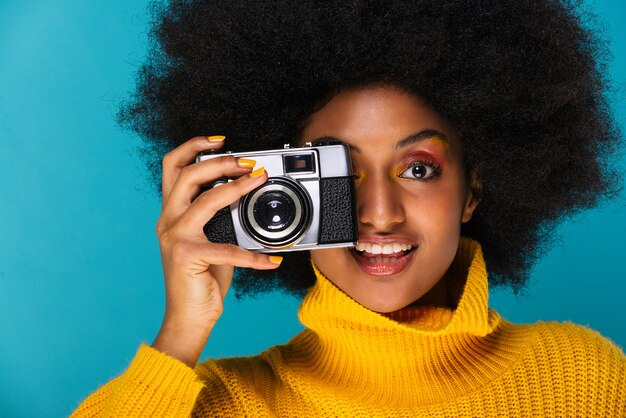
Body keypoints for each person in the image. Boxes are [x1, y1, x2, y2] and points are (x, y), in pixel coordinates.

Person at [72, 0, 626, 416]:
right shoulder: (226, 404)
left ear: (472, 192)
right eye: (340, 174)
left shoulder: (580, 377)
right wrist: (180, 334)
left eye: (418, 169)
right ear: (269, 189)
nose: (379, 213)